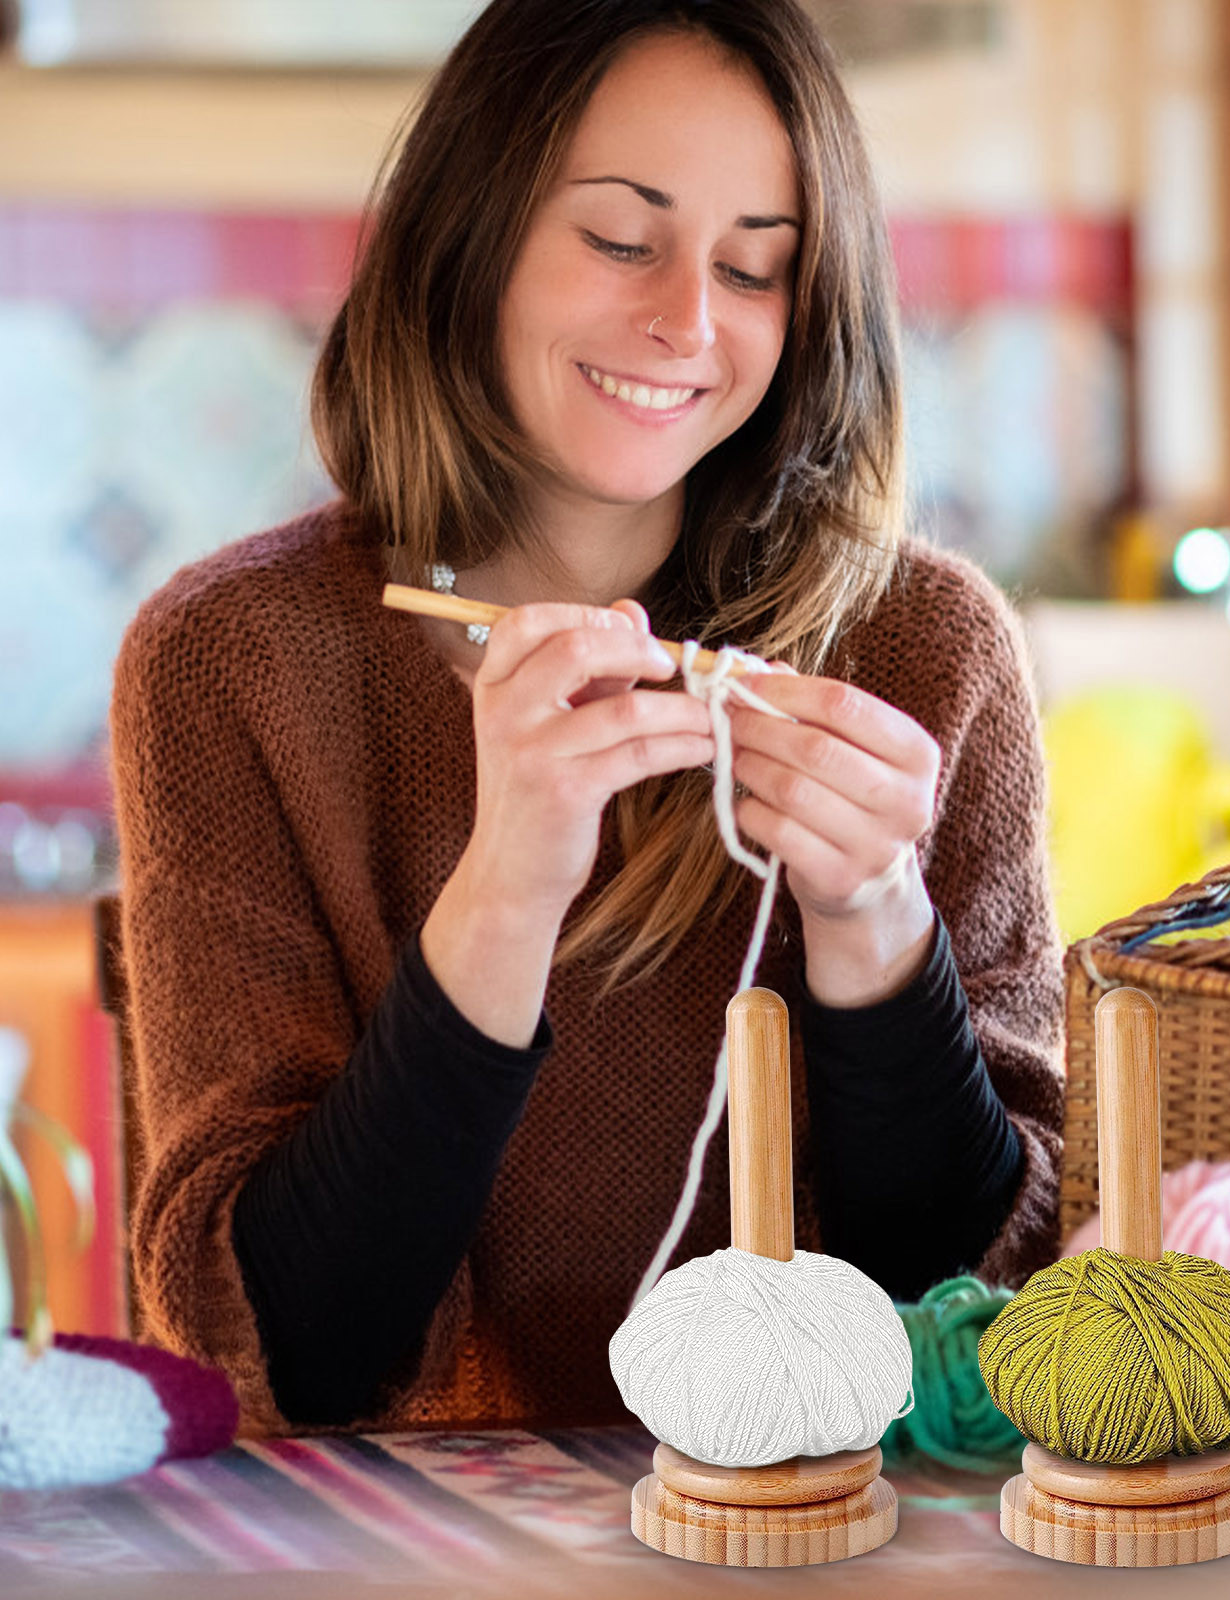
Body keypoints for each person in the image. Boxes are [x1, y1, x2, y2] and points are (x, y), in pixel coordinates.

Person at [110, 0, 1065, 1437]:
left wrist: (879, 935)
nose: (688, 318)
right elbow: (287, 1350)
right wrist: (505, 893)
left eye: (756, 267)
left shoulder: (928, 652)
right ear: (471, 230)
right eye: (622, 239)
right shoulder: (227, 663)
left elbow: (1003, 1326)